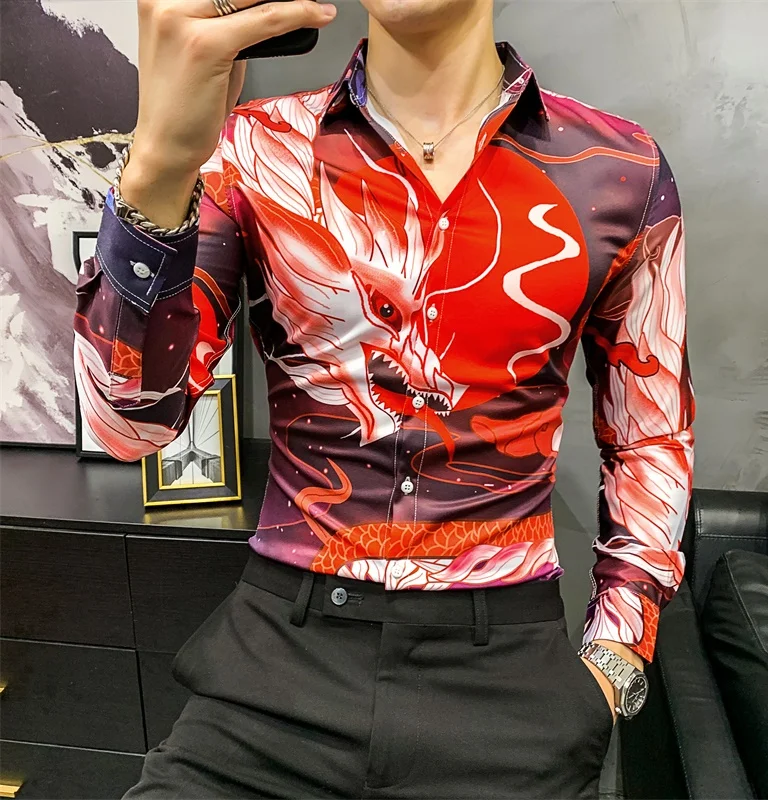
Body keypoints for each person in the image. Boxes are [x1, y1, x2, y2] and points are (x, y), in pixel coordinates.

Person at [73, 0, 696, 797]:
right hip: (275, 670)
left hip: (509, 689)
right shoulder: (252, 151)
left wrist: (614, 662)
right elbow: (126, 425)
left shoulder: (620, 170)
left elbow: (651, 437)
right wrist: (159, 167)